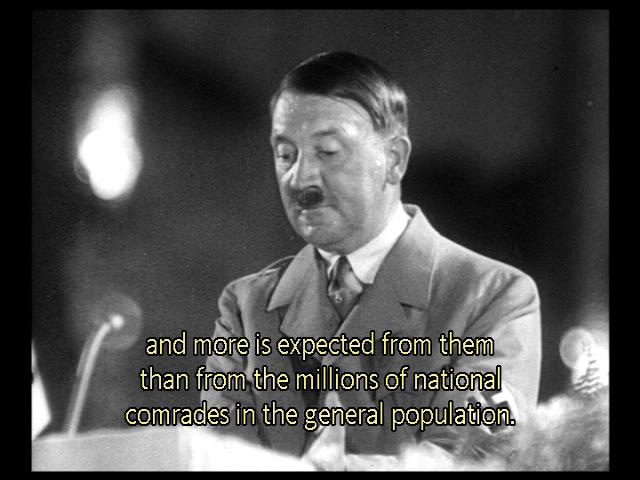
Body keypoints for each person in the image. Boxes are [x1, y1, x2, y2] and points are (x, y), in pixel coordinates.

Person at [201, 51, 541, 457]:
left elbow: (472, 458)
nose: (300, 179)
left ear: (394, 160)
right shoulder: (246, 307)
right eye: (285, 154)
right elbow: (215, 458)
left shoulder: (493, 297)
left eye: (328, 152)